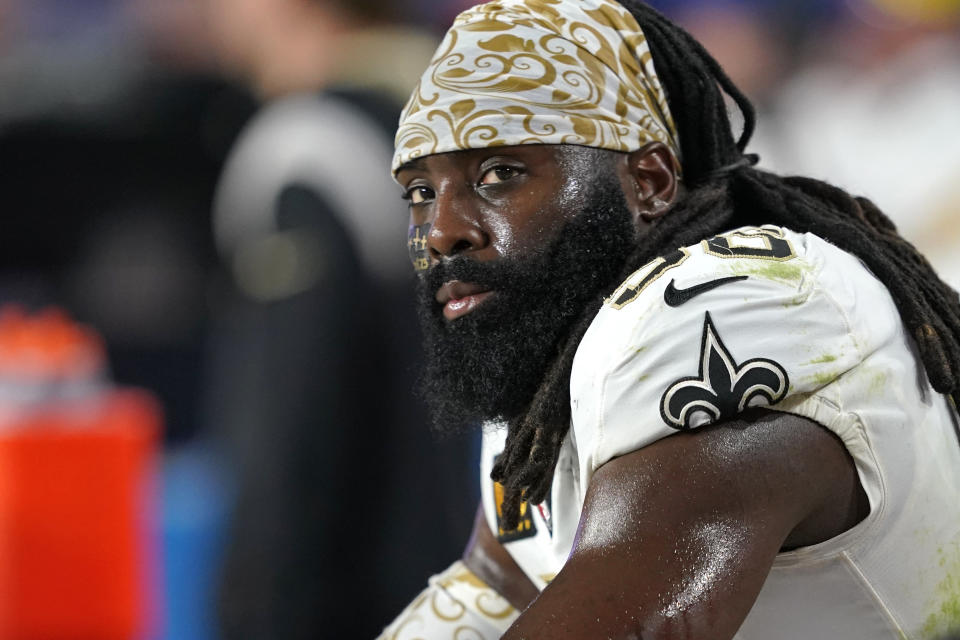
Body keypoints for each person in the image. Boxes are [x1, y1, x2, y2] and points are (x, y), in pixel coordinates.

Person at [378, 0, 960, 638]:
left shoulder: (733, 305)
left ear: (649, 180)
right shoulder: (550, 347)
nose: (442, 233)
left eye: (500, 174)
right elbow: (495, 584)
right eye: (420, 192)